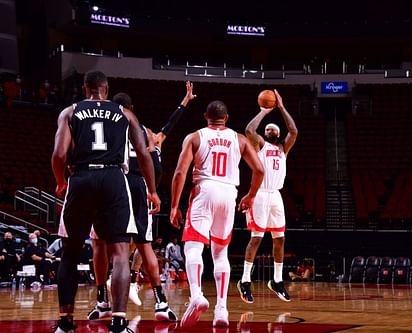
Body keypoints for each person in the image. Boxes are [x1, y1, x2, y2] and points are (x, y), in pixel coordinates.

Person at [51, 70, 160, 333]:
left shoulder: (70, 112)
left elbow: (59, 154)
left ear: (85, 89)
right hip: (114, 177)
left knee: (71, 252)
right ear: (106, 89)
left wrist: (61, 182)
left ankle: (65, 322)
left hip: (82, 177)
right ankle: (119, 322)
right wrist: (152, 190)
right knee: (120, 253)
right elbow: (144, 156)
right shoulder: (125, 113)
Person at [88, 81, 194, 321]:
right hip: (140, 187)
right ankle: (160, 303)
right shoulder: (146, 132)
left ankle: (103, 300)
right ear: (132, 108)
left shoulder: (108, 126)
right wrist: (184, 102)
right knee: (144, 244)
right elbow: (169, 126)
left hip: (111, 183)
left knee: (101, 243)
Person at [170, 100, 264, 328]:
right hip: (228, 193)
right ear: (227, 118)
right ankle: (221, 309)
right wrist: (250, 196)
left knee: (193, 247)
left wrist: (174, 206)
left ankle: (196, 295)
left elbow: (181, 171)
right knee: (220, 253)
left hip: (204, 190)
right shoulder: (239, 139)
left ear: (205, 116)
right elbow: (260, 170)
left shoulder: (194, 137)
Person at [237, 89, 298, 303]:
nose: (271, 130)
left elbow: (294, 130)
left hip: (276, 196)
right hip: (260, 195)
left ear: (278, 133)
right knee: (256, 238)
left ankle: (277, 280)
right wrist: (264, 111)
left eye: (274, 128)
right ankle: (245, 280)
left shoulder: (283, 148)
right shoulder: (260, 145)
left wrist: (281, 107)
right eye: (268, 128)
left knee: (280, 239)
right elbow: (249, 129)